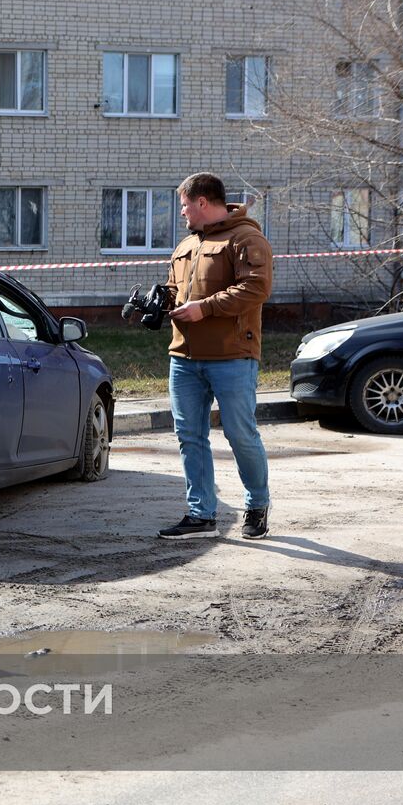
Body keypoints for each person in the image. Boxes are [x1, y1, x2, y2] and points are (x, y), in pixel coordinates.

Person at [158, 173, 273, 540]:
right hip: (184, 357)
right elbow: (176, 291)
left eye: (184, 205)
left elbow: (256, 287)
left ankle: (256, 506)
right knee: (189, 436)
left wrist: (204, 309)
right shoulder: (185, 246)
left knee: (240, 434)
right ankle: (201, 514)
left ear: (202, 202)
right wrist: (157, 303)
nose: (182, 213)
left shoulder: (246, 238)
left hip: (232, 356)